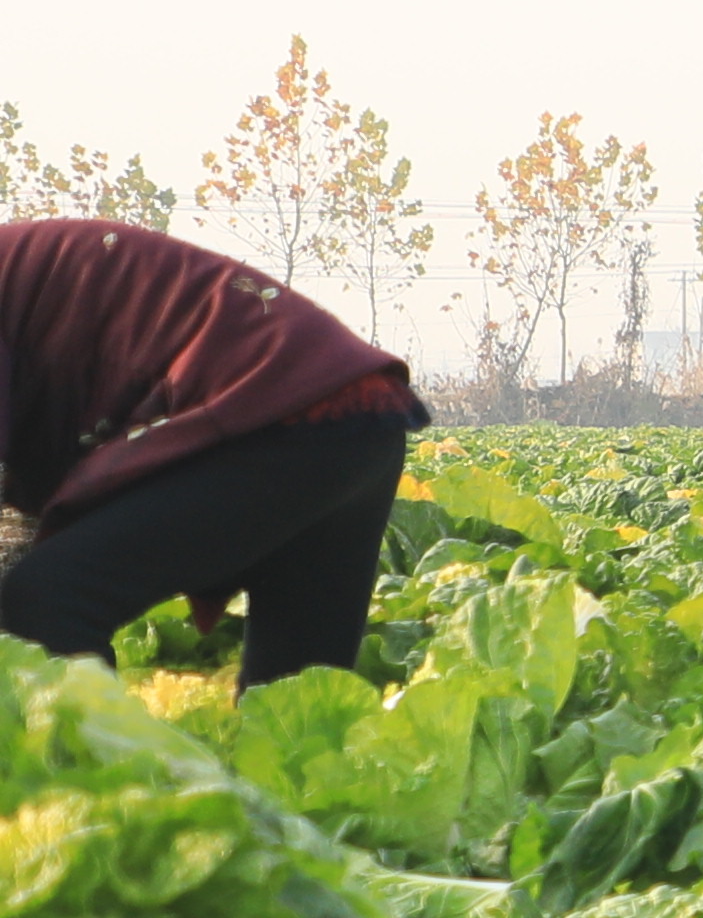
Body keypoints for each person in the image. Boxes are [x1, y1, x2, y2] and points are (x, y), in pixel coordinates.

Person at [0, 218, 425, 682]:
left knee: (45, 605)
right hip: (355, 415)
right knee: (294, 705)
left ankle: (82, 756)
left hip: (278, 410)